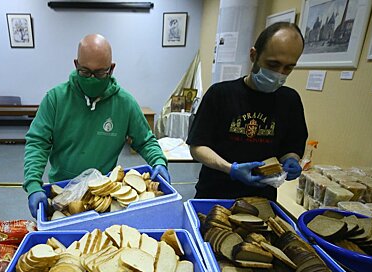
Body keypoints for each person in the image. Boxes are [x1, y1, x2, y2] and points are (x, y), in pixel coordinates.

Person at [24, 34, 170, 218]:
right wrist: (33, 184)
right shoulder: (56, 99)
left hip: (102, 195)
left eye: (100, 73)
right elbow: (38, 142)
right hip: (63, 191)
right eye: (85, 72)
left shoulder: (125, 103)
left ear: (112, 69)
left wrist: (158, 161)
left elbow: (145, 140)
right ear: (76, 65)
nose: (92, 79)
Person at [187, 22, 308, 201]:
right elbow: (197, 147)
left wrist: (291, 160)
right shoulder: (220, 94)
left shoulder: (290, 100)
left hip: (262, 199)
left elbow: (291, 146)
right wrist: (231, 169)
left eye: (288, 67)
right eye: (273, 64)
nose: (279, 73)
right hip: (215, 193)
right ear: (254, 55)